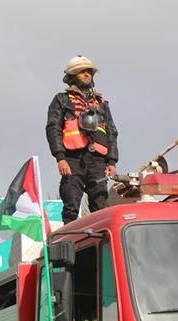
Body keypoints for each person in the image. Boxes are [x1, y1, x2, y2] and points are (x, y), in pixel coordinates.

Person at [46, 55, 119, 224]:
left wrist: (111, 161)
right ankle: (70, 238)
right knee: (71, 207)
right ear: (73, 75)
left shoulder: (101, 103)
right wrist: (60, 158)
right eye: (82, 71)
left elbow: (111, 132)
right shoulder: (61, 100)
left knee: (100, 208)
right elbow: (53, 128)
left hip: (98, 162)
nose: (87, 74)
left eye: (89, 72)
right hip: (72, 160)